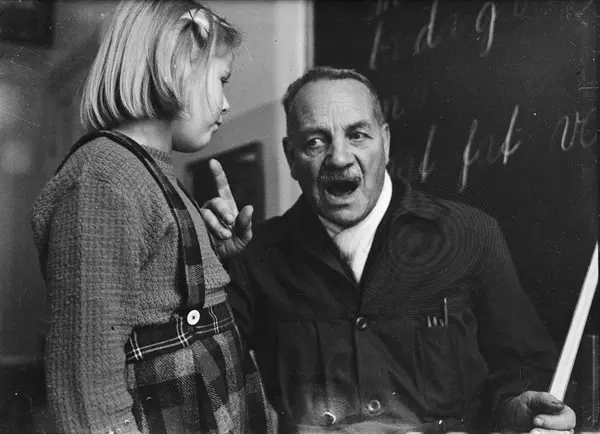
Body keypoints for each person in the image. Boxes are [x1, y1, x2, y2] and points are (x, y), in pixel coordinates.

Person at [200, 67, 576, 433]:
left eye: (357, 135)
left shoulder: (470, 234)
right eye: (315, 141)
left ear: (386, 142)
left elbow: (524, 370)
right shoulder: (254, 256)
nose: (339, 158)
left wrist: (516, 408)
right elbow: (203, 377)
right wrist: (210, 262)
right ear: (291, 156)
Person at [30, 1, 272, 433]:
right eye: (222, 80)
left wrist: (213, 253)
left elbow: (155, 293)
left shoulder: (151, 171)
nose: (226, 103)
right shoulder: (102, 178)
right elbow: (87, 389)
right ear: (176, 63)